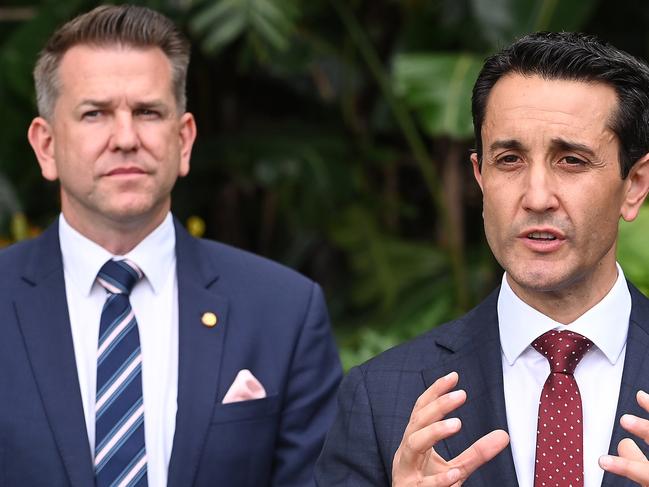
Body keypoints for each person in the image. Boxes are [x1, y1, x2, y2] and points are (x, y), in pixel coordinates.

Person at [0, 4, 342, 486]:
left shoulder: (283, 312)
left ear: (183, 141)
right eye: (94, 113)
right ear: (46, 146)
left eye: (148, 112)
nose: (125, 138)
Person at [316, 32, 649, 486]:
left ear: (634, 185)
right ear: (480, 177)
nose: (536, 197)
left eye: (571, 160)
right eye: (509, 159)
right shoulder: (383, 396)